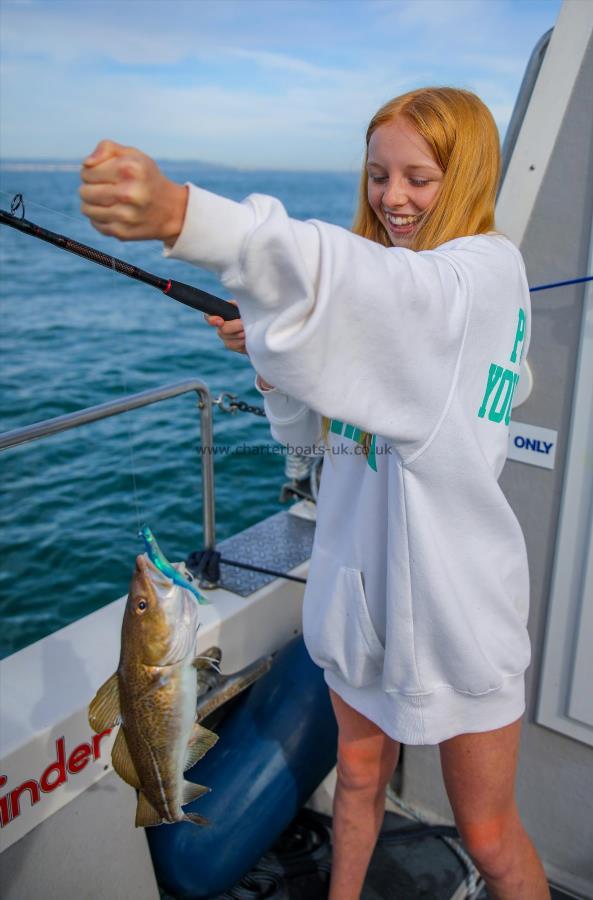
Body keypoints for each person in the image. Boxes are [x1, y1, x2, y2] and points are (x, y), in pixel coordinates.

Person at [80, 86, 550, 900]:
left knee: (489, 833)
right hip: (361, 608)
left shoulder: (479, 273)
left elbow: (359, 282)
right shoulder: (405, 291)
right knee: (359, 784)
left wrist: (186, 217)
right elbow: (310, 436)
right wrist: (270, 358)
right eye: (376, 176)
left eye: (418, 178)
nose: (391, 199)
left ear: (468, 174)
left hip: (457, 614)